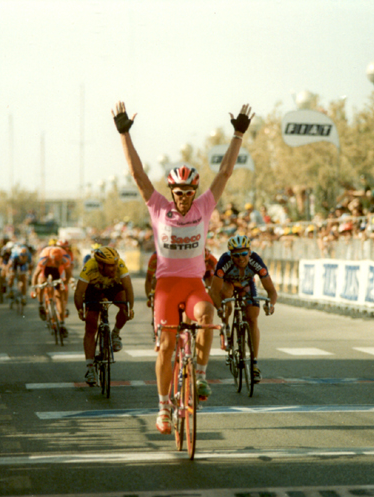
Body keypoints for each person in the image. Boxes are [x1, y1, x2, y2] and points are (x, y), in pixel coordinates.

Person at [112, 100, 254, 434]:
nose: (184, 196)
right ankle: (162, 407)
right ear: (171, 191)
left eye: (189, 191)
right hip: (166, 286)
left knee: (207, 316)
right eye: (178, 191)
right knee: (166, 346)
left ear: (194, 192)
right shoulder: (158, 207)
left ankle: (200, 377)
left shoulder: (204, 206)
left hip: (193, 285)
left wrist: (237, 134)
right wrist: (124, 134)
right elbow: (137, 174)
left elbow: (225, 173)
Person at [208, 235, 277, 382]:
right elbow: (213, 291)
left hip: (246, 285)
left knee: (252, 319)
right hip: (229, 284)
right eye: (236, 255)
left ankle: (254, 365)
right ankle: (226, 327)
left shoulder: (256, 261)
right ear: (231, 255)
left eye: (244, 253)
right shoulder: (224, 261)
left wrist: (270, 304)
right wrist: (220, 308)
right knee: (225, 295)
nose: (241, 258)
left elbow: (271, 291)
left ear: (250, 252)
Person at [74, 246, 135, 385]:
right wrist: (80, 310)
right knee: (90, 326)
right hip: (93, 289)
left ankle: (115, 333)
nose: (114, 269)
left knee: (125, 308)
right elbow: (78, 292)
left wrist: (130, 308)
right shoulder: (90, 267)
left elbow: (128, 287)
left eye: (115, 265)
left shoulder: (120, 265)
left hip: (113, 287)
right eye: (110, 266)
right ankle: (90, 368)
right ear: (100, 265)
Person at [31, 244, 73, 335]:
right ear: (52, 258)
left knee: (59, 297)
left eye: (59, 262)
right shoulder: (44, 259)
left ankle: (62, 324)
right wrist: (34, 289)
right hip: (46, 268)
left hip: (57, 271)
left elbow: (69, 274)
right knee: (42, 282)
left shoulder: (64, 258)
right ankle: (40, 304)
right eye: (56, 262)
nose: (58, 264)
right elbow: (35, 275)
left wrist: (64, 284)